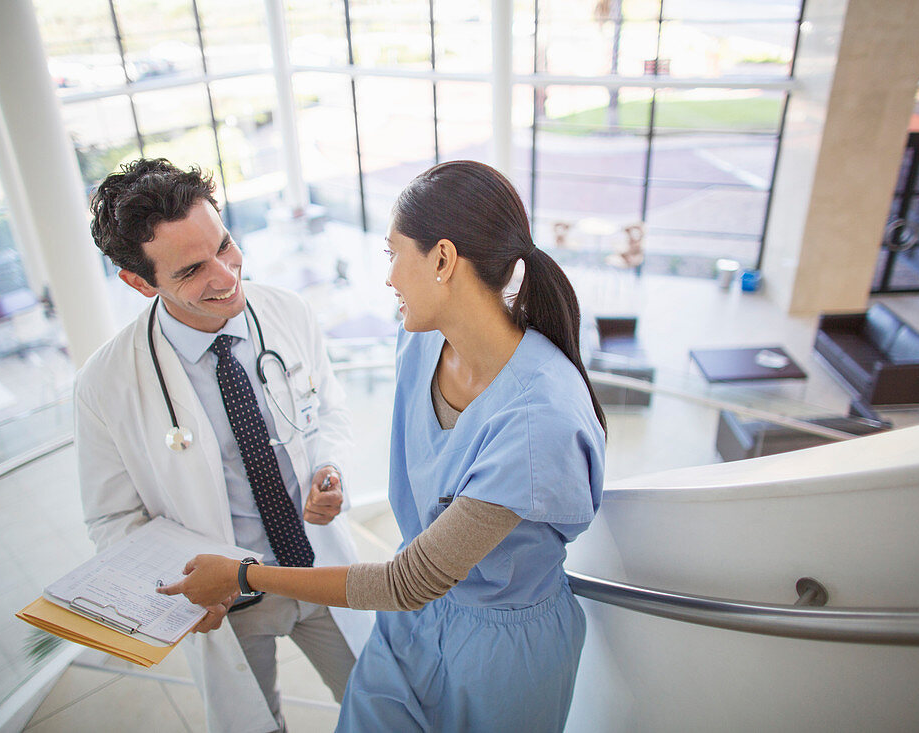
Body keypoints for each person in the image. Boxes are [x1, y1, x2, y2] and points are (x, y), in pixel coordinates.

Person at [160, 159, 607, 732]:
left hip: (497, 652)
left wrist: (243, 576)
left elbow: (408, 580)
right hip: (412, 625)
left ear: (443, 260)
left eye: (394, 254)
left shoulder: (536, 418)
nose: (389, 277)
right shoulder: (421, 343)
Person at [75, 158, 373, 733]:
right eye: (191, 269)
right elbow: (112, 519)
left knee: (379, 702)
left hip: (317, 568)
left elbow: (329, 408)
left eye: (226, 245)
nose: (225, 275)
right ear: (140, 283)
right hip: (224, 605)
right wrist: (173, 592)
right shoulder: (104, 384)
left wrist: (329, 466)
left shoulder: (286, 310)